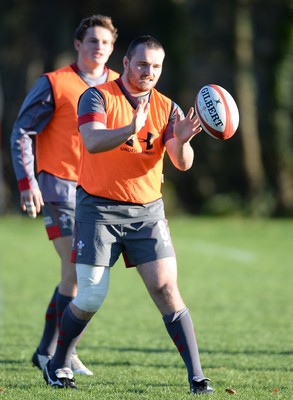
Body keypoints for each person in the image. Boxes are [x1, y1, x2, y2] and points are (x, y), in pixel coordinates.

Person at [43, 35, 214, 395]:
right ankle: (58, 363)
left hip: (147, 212)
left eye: (155, 66)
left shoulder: (167, 107)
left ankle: (197, 378)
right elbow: (91, 140)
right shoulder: (98, 96)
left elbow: (181, 164)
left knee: (167, 288)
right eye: (142, 64)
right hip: (98, 209)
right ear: (126, 63)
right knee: (90, 297)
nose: (148, 72)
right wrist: (129, 130)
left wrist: (182, 142)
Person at [10, 14, 119, 376]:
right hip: (57, 187)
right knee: (75, 269)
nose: (99, 47)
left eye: (105, 42)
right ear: (78, 44)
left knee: (83, 275)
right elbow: (22, 132)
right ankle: (59, 353)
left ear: (113, 47)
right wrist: (28, 184)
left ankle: (49, 350)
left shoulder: (119, 87)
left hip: (97, 193)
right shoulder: (55, 83)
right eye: (92, 40)